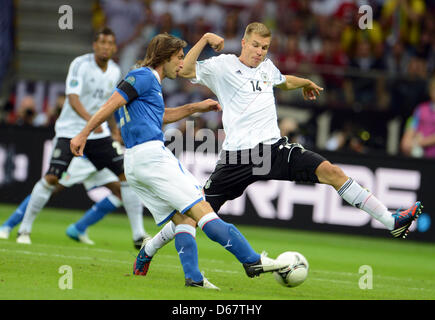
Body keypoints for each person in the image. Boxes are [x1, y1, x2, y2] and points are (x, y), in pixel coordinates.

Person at [70, 33, 291, 289]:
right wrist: (84, 133)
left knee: (184, 220)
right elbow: (112, 103)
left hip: (135, 164)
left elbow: (159, 116)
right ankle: (251, 260)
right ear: (164, 57)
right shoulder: (142, 76)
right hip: (152, 156)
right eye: (179, 58)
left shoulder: (148, 81)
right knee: (203, 210)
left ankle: (192, 277)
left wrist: (195, 107)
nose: (181, 64)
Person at [175, 22, 422, 240]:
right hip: (239, 156)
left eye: (265, 47)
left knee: (331, 171)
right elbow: (185, 70)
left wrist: (304, 82)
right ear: (243, 42)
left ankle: (391, 222)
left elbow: (283, 79)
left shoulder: (266, 68)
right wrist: (206, 38)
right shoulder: (222, 66)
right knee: (197, 214)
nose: (259, 52)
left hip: (274, 149)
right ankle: (150, 248)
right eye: (255, 45)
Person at [15, 27, 149, 246]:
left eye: (110, 43)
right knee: (52, 178)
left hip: (98, 135)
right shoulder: (80, 64)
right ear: (95, 45)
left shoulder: (115, 70)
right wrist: (91, 122)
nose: (106, 47)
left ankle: (138, 235)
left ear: (114, 48)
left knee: (126, 176)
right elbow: (73, 98)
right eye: (102, 42)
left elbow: (111, 104)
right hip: (71, 131)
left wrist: (114, 129)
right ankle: (24, 230)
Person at [0, 155, 148, 247]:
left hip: (100, 158)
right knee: (50, 189)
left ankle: (78, 229)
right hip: (83, 158)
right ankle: (7, 226)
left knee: (122, 192)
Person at [401, 76, 435, 158]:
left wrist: (418, 142)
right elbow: (411, 126)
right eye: (434, 89)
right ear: (430, 91)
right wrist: (406, 140)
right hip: (419, 156)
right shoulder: (420, 108)